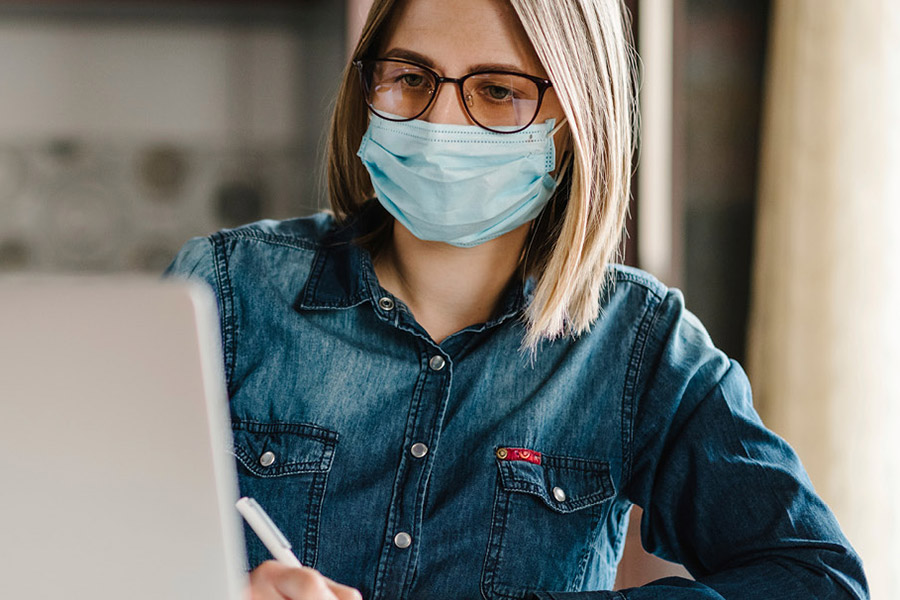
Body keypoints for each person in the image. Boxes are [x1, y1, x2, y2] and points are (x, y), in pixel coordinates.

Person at [165, 0, 869, 598]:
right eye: (410, 77)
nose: (440, 123)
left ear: (573, 121)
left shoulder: (642, 347)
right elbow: (80, 538)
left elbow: (818, 579)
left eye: (498, 91)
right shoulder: (226, 294)